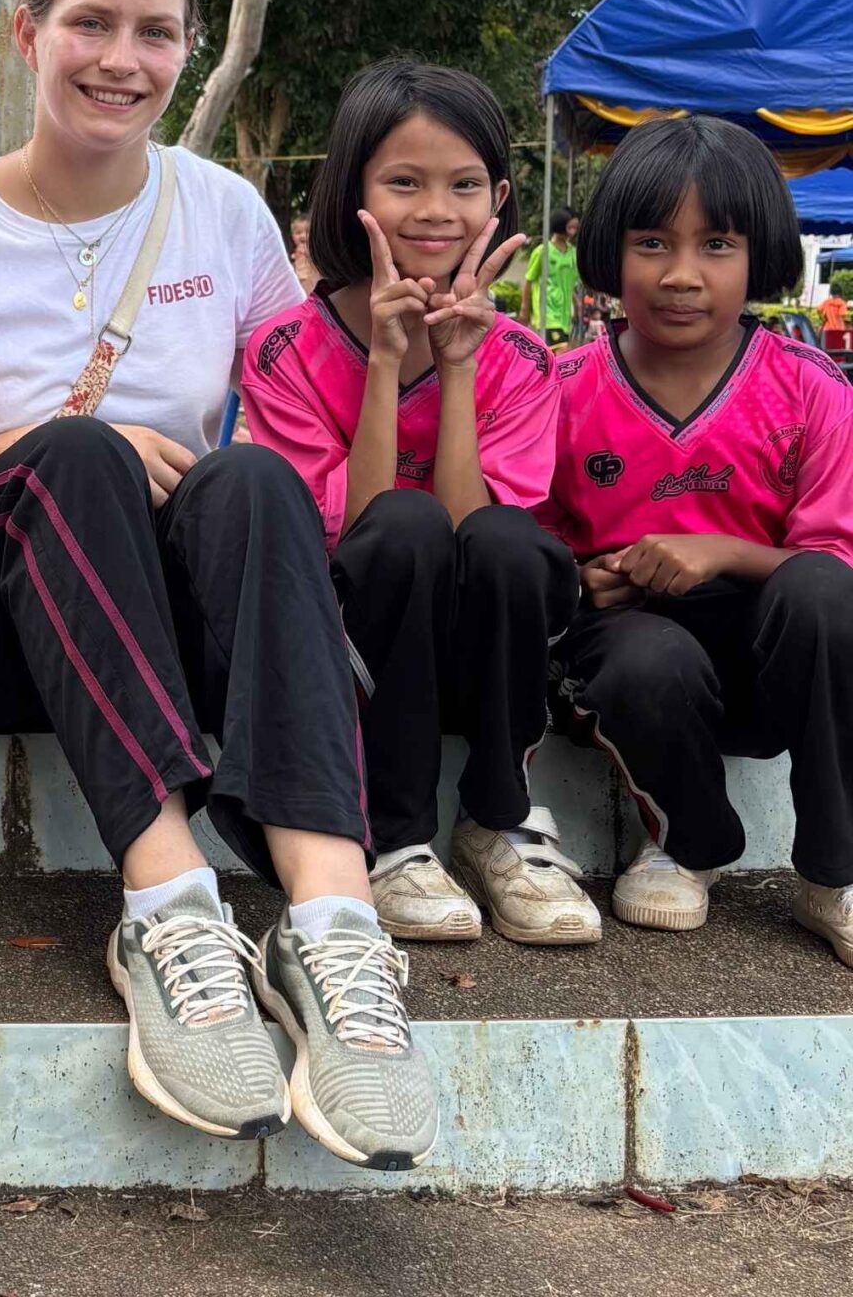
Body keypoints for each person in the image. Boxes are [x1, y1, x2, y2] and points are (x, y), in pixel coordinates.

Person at [0, 0, 437, 1172]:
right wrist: (74, 440)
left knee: (253, 477)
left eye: (155, 32)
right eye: (91, 23)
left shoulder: (221, 212)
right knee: (78, 450)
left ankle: (330, 924)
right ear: (27, 35)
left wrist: (400, 357)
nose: (121, 58)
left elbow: (292, 419)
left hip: (150, 621)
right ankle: (168, 907)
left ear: (187, 51)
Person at [242, 63, 593, 947]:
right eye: (404, 182)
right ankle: (395, 837)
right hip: (356, 647)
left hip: (473, 649)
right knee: (403, 524)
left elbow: (476, 536)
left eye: (465, 185)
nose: (437, 211)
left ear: (499, 198)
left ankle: (498, 818)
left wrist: (460, 367)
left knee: (512, 540)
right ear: (352, 191)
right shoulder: (284, 350)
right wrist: (387, 361)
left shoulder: (523, 359)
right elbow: (355, 538)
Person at [543, 115, 853, 960]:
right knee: (648, 658)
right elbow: (523, 542)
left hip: (767, 664)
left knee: (826, 593)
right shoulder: (563, 388)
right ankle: (688, 843)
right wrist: (582, 576)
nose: (681, 275)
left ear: (760, 254)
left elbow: (834, 562)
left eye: (717, 244)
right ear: (610, 250)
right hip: (630, 665)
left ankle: (834, 874)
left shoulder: (810, 389)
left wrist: (721, 551)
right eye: (652, 242)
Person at [521, 206, 580, 344]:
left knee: (556, 354)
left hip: (565, 316)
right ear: (560, 225)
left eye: (576, 227)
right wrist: (525, 309)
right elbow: (529, 281)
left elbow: (568, 283)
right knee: (561, 351)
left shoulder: (573, 254)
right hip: (547, 314)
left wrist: (576, 303)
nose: (573, 231)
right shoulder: (542, 252)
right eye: (570, 227)